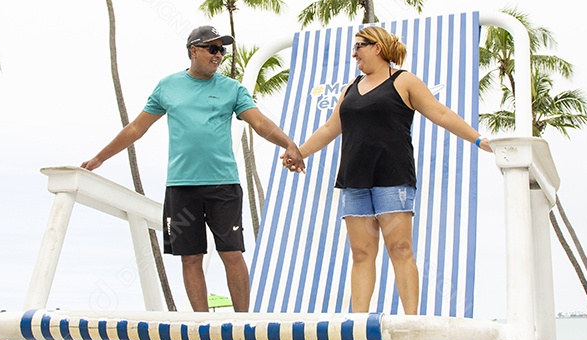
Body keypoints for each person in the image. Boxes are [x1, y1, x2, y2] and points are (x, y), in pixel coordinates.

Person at [81, 24, 304, 312]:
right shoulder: (168, 86)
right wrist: (100, 158)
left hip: (223, 184)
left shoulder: (232, 89)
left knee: (232, 253)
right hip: (181, 186)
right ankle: (202, 331)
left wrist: (289, 143)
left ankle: (242, 325)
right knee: (190, 257)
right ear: (193, 50)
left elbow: (260, 123)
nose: (218, 55)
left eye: (221, 50)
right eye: (212, 49)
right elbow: (137, 128)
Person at [283, 25, 492, 315]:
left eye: (358, 46)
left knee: (400, 250)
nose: (354, 53)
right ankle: (358, 326)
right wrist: (299, 152)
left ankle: (411, 324)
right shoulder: (350, 88)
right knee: (361, 254)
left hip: (392, 178)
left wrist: (479, 140)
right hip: (354, 181)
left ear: (376, 47)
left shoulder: (404, 81)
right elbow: (331, 128)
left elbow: (441, 113)